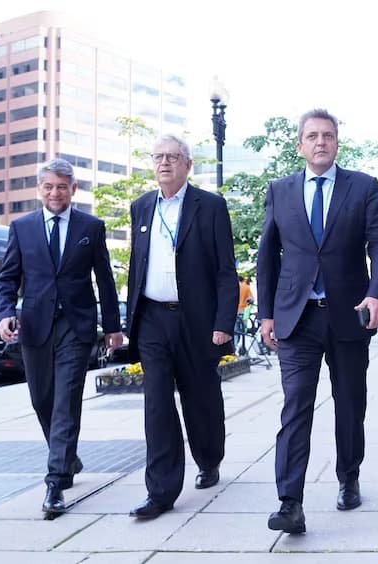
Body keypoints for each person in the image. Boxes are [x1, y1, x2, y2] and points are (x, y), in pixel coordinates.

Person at [257, 108, 378, 534]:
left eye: (328, 135)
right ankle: (290, 502)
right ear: (300, 145)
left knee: (350, 403)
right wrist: (265, 314)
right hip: (296, 318)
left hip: (348, 315)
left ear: (337, 143)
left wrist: (376, 293)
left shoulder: (363, 187)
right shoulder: (279, 190)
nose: (321, 142)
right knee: (295, 406)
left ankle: (348, 476)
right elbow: (267, 256)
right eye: (313, 136)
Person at [0, 158, 123, 517]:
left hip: (76, 327)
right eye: (49, 186)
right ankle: (67, 455)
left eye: (62, 187)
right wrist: (4, 313)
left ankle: (56, 482)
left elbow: (105, 280)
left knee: (67, 400)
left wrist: (113, 327)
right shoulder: (22, 227)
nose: (55, 193)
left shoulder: (91, 227)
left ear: (73, 189)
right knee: (43, 400)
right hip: (35, 326)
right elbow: (7, 278)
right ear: (40, 189)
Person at [124, 134, 238, 520]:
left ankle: (209, 457)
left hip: (197, 319)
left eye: (173, 157)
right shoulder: (141, 207)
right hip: (152, 319)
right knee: (157, 403)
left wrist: (223, 322)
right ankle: (160, 491)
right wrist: (129, 322)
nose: (164, 163)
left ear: (188, 165)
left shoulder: (210, 206)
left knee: (200, 397)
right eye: (158, 157)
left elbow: (225, 271)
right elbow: (136, 267)